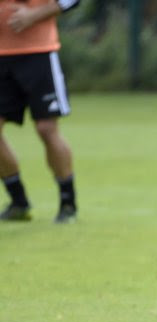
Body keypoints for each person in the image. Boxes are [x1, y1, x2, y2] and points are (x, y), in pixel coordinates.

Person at [0, 0, 79, 223]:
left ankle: (68, 202)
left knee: (46, 129)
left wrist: (33, 15)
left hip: (39, 54)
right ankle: (18, 201)